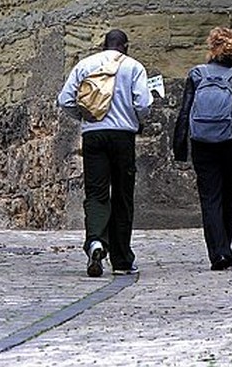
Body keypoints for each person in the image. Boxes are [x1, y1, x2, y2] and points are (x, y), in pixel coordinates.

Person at [57, 29, 153, 278]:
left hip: (93, 135)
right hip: (123, 136)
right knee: (123, 195)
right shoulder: (134, 67)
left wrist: (86, 117)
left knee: (96, 193)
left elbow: (66, 99)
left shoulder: (85, 64)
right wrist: (137, 119)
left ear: (103, 45)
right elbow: (143, 104)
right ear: (126, 46)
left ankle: (96, 242)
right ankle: (121, 260)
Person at [172, 26, 232, 271]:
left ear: (212, 49)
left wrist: (179, 148)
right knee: (228, 195)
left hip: (202, 142)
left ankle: (218, 253)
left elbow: (184, 113)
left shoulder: (196, 75)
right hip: (230, 142)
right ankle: (226, 248)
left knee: (210, 197)